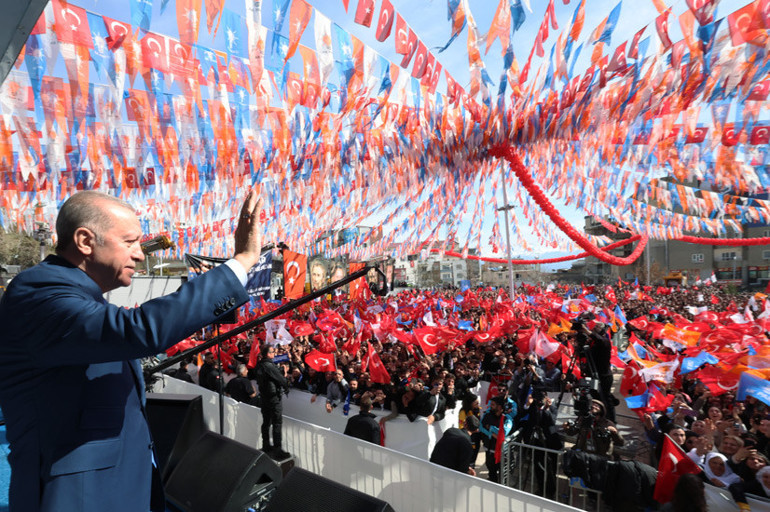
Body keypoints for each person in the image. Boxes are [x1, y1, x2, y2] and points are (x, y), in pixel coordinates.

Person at [0, 189, 263, 512]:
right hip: (76, 497)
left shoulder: (76, 295)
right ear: (85, 241)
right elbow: (138, 330)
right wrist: (241, 263)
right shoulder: (40, 293)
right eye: (130, 242)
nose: (140, 254)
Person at [255, 345, 291, 459]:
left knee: (266, 422)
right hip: (273, 398)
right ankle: (277, 449)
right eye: (272, 352)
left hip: (264, 397)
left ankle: (266, 445)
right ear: (268, 354)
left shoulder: (260, 365)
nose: (274, 354)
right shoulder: (269, 365)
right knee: (276, 422)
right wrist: (285, 375)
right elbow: (282, 380)